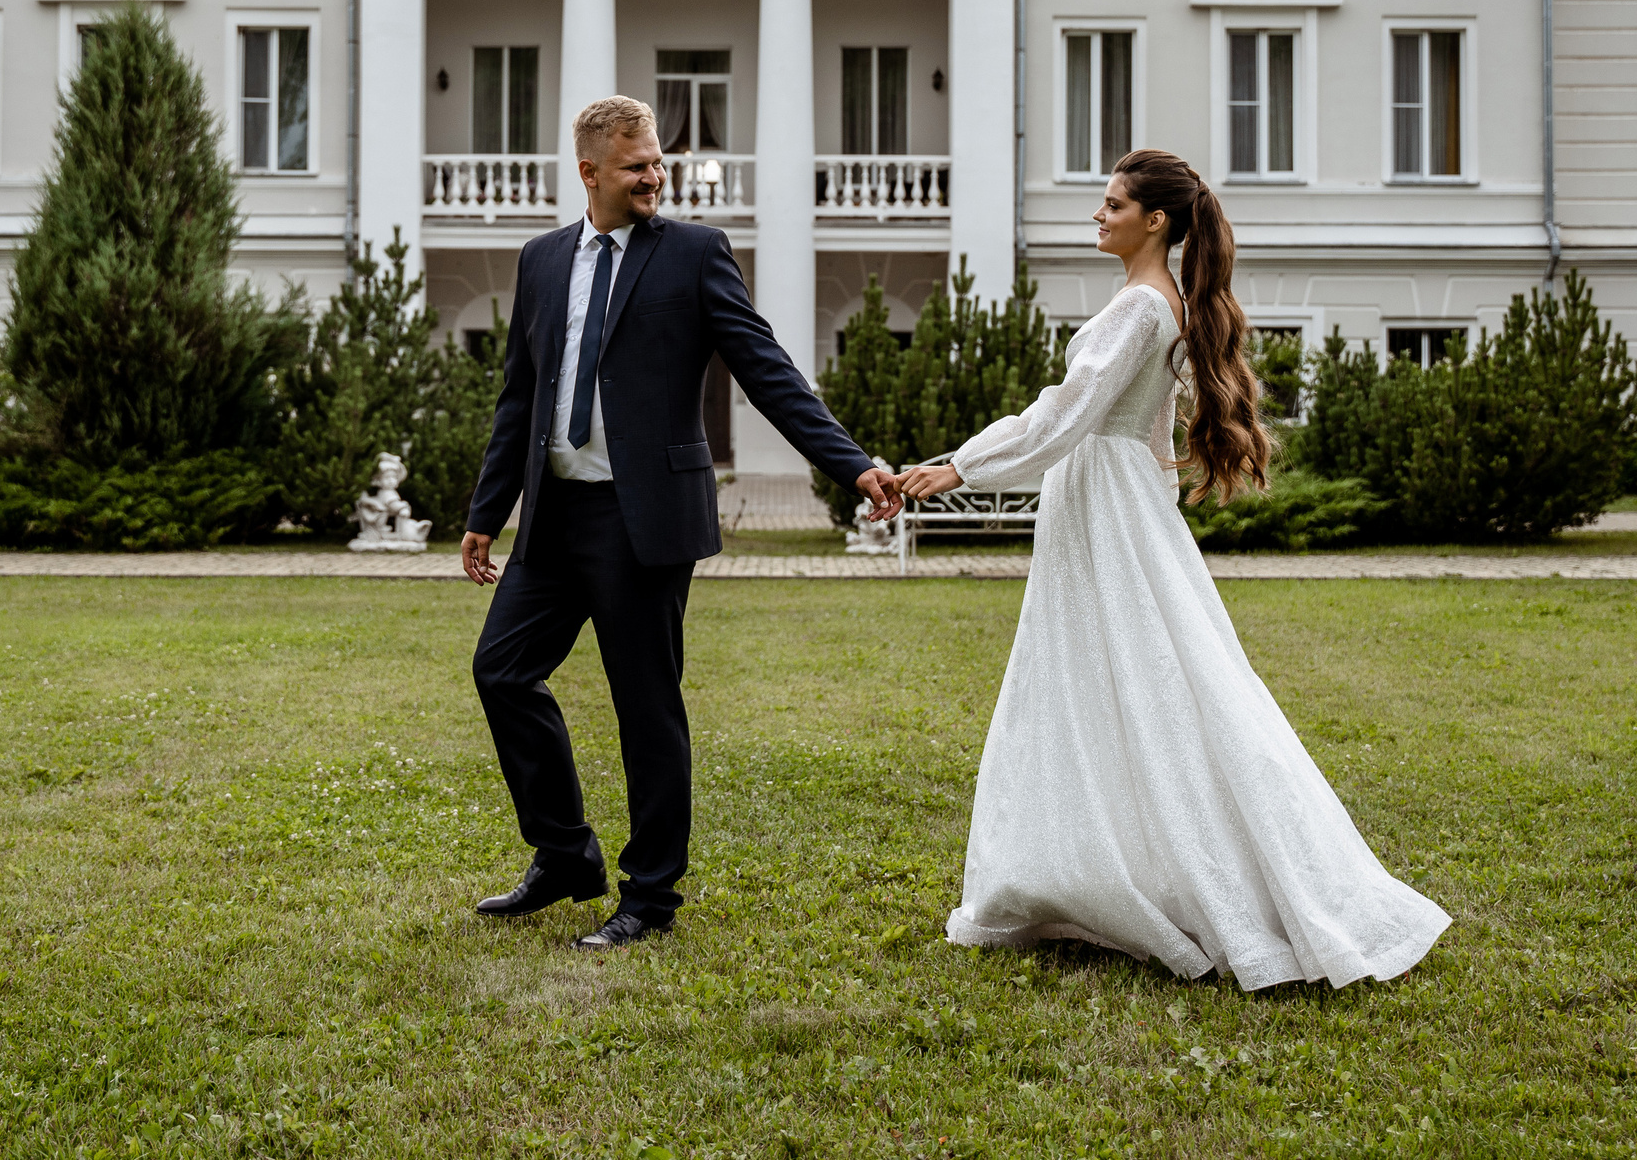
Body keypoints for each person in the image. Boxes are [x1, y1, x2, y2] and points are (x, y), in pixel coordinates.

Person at [897, 149, 1450, 988]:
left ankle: (1188, 879)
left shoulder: (1138, 310)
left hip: (1105, 507)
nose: (1098, 214)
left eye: (1112, 204)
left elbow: (1065, 413)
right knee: (1113, 680)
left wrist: (958, 466)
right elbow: (1144, 434)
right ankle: (1088, 867)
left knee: (1143, 683)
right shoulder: (1163, 303)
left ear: (1154, 221)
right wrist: (1143, 488)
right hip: (1113, 503)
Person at [460, 96, 904, 950]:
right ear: (589, 171)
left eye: (658, 162)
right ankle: (564, 857)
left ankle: (651, 895)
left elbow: (766, 369)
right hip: (554, 516)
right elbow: (521, 392)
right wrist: (488, 511)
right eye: (636, 167)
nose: (654, 177)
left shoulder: (695, 253)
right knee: (502, 671)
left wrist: (850, 464)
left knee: (645, 705)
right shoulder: (543, 259)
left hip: (645, 521)